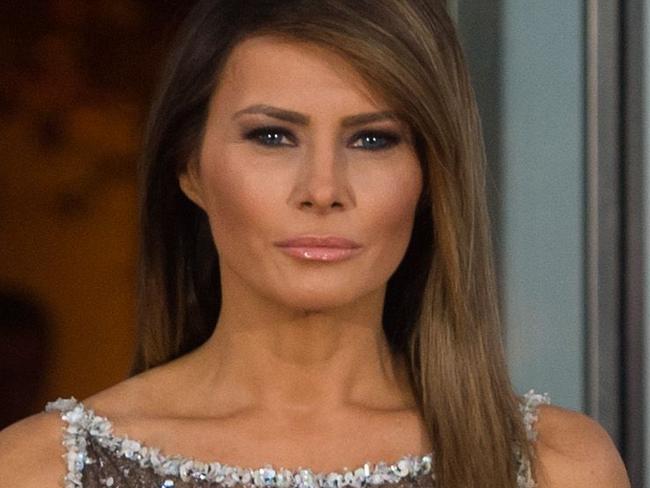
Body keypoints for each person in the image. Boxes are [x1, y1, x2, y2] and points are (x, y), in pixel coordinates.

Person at [0, 1, 630, 487]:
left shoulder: (556, 467)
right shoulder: (39, 471)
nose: (323, 189)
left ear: (431, 175)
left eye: (373, 140)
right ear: (188, 167)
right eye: (273, 137)